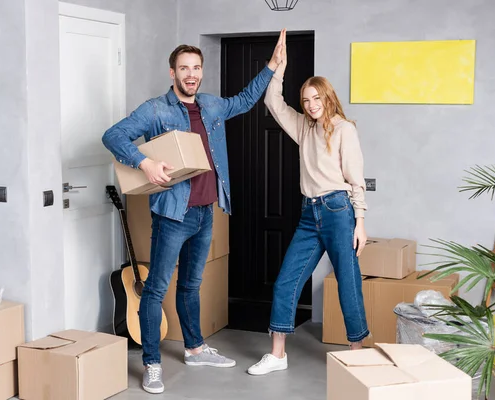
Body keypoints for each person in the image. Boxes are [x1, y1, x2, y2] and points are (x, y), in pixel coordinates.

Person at [102, 30, 286, 394]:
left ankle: (195, 348)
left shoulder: (211, 105)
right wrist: (144, 162)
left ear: (201, 72)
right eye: (184, 68)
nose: (191, 74)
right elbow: (114, 136)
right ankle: (152, 364)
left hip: (205, 212)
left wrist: (271, 67)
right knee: (155, 289)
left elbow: (246, 100)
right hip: (173, 214)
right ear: (172, 73)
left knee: (190, 285)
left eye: (196, 68)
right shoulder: (156, 109)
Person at [247, 30, 370, 376]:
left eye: (316, 99)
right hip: (308, 213)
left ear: (328, 97)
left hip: (338, 211)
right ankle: (277, 355)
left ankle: (357, 355)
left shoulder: (345, 129)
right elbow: (273, 102)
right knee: (287, 281)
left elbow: (355, 179)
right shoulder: (303, 127)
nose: (311, 105)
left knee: (347, 282)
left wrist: (360, 222)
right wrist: (279, 67)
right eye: (306, 101)